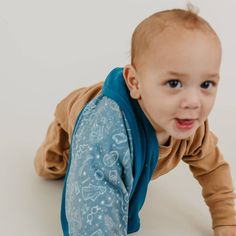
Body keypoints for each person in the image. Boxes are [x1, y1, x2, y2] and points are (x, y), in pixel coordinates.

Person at [34, 5, 236, 236]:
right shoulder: (105, 134)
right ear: (135, 82)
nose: (193, 101)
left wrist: (225, 219)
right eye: (174, 83)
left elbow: (213, 168)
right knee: (50, 167)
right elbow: (93, 205)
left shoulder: (190, 124)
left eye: (206, 85)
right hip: (75, 115)